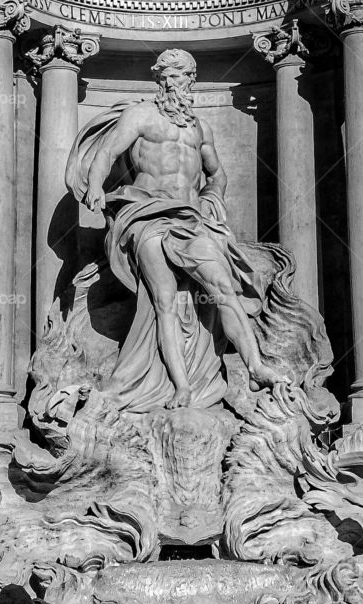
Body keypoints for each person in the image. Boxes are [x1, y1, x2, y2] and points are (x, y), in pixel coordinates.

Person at [66, 49, 289, 411]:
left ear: (191, 80)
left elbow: (217, 174)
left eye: (181, 75)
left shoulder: (200, 127)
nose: (173, 82)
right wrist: (94, 184)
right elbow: (106, 153)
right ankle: (181, 386)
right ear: (158, 80)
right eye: (167, 76)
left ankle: (256, 365)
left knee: (223, 287)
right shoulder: (140, 115)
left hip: (189, 217)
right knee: (164, 302)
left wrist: (212, 198)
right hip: (146, 214)